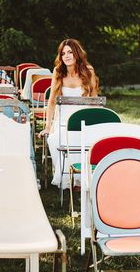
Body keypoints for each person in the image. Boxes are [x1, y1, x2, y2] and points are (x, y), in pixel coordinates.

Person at [39, 38, 98, 188]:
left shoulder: (88, 71)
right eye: (63, 53)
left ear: (77, 53)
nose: (66, 56)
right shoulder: (58, 72)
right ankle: (68, 179)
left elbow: (94, 100)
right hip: (63, 120)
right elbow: (51, 101)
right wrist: (48, 126)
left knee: (81, 138)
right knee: (54, 139)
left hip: (82, 119)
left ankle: (80, 180)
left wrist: (94, 124)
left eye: (70, 52)